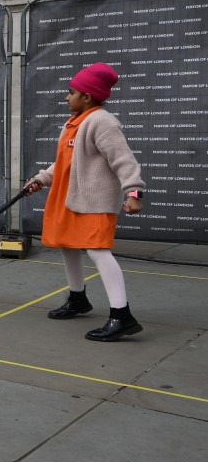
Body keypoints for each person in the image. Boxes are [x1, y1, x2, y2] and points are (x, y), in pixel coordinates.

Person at [24, 62, 145, 342]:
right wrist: (40, 179)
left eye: (71, 92)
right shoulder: (73, 124)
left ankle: (122, 316)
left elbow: (124, 159)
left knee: (98, 252)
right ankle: (78, 299)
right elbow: (64, 163)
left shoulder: (102, 122)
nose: (67, 97)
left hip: (93, 201)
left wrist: (134, 192)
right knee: (67, 246)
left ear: (87, 96)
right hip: (67, 198)